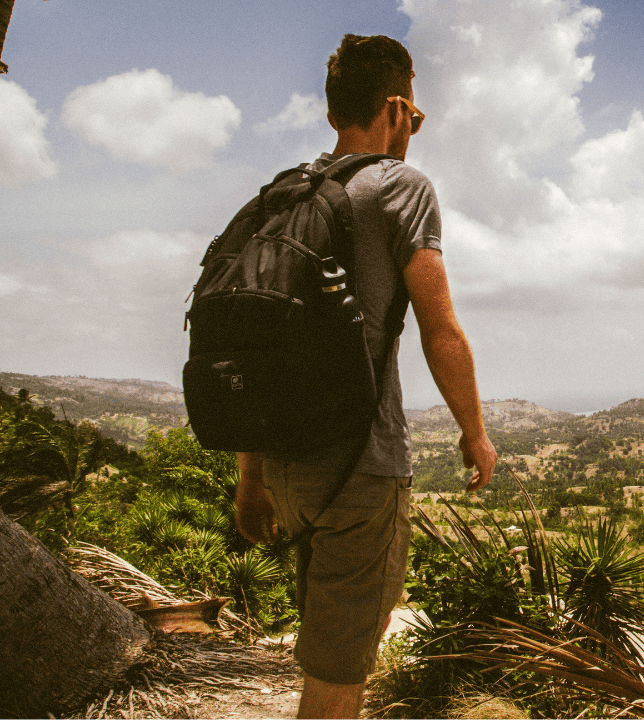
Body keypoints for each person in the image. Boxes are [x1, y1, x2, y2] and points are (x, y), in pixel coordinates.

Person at [232, 34, 497, 719]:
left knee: (331, 643)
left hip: (287, 465)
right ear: (399, 106)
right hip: (364, 465)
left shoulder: (284, 197)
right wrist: (475, 431)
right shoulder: (403, 188)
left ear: (331, 114)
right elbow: (441, 328)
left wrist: (251, 478)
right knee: (340, 671)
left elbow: (255, 347)